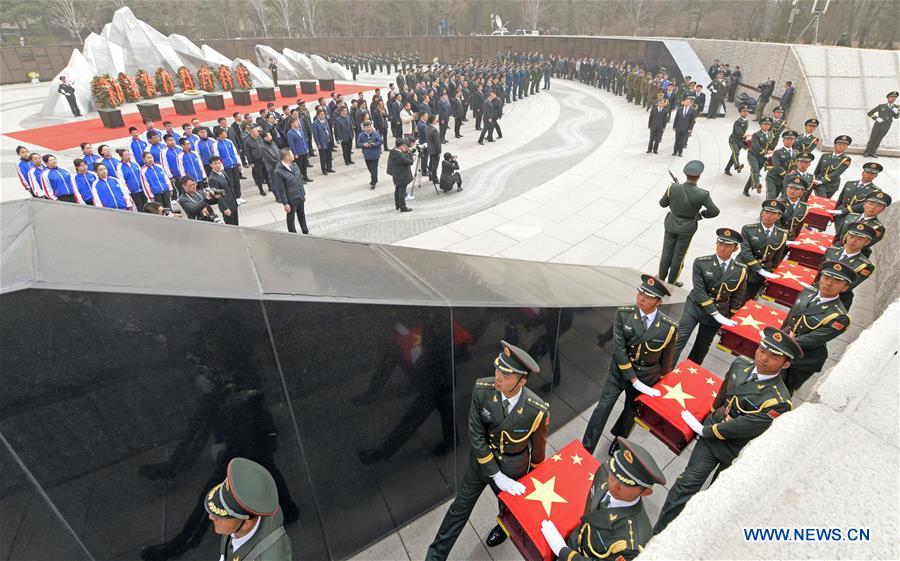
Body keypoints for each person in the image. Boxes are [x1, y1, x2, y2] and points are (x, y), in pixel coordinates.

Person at [654, 327, 800, 534]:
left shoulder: (779, 401)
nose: (764, 358)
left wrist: (705, 430)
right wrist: (714, 412)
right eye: (762, 350)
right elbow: (723, 392)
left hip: (736, 451)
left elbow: (745, 426)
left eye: (773, 356)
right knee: (685, 485)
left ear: (786, 364)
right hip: (712, 439)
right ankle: (658, 533)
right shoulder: (740, 364)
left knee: (716, 497)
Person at [425, 341, 548, 560]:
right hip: (481, 463)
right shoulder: (482, 389)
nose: (498, 377)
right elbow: (475, 434)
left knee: (509, 508)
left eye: (507, 375)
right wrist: (495, 474)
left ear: (523, 381)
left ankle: (504, 527)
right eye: (498, 369)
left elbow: (538, 450)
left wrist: (531, 478)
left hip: (513, 468)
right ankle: (435, 556)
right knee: (458, 510)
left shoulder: (535, 409)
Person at [582, 274, 676, 456]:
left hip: (647, 376)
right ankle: (587, 448)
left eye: (648, 296)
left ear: (659, 302)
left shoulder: (668, 327)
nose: (641, 298)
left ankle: (619, 439)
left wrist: (662, 381)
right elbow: (619, 349)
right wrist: (633, 379)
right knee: (602, 408)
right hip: (620, 373)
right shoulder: (624, 314)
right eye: (640, 292)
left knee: (630, 413)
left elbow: (666, 359)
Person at [541, 437, 666, 561]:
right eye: (613, 475)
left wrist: (563, 551)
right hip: (577, 537)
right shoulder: (604, 472)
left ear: (645, 492)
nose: (614, 485)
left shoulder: (632, 545)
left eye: (626, 484)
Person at [673, 228, 747, 366]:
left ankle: (687, 375)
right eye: (720, 243)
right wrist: (715, 313)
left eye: (727, 245)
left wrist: (730, 317)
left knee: (701, 347)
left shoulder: (740, 269)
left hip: (719, 311)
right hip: (695, 307)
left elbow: (737, 296)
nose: (722, 248)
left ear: (735, 249)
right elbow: (700, 291)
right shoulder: (701, 262)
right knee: (679, 339)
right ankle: (665, 373)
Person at [780, 261, 853, 394]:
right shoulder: (807, 293)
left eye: (836, 281)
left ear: (845, 288)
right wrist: (779, 335)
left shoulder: (840, 317)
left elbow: (812, 340)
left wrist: (781, 342)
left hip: (804, 359)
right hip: (784, 346)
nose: (828, 283)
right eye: (826, 277)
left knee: (783, 389)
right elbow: (790, 319)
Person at [205, 457, 292, 560]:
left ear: (246, 523)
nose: (211, 517)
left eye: (221, 515)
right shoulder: (242, 518)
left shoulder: (271, 557)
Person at [658, 160, 720, 287]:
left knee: (666, 253)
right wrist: (701, 215)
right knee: (678, 256)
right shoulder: (703, 194)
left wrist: (674, 201)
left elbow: (662, 203)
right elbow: (714, 211)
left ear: (685, 174)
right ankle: (671, 283)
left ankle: (661, 279)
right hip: (687, 228)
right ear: (699, 176)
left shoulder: (673, 187)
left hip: (671, 224)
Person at [813, 222, 875, 311]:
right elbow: (820, 272)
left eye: (859, 239)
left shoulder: (865, 266)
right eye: (851, 236)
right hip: (817, 290)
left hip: (837, 299)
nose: (853, 241)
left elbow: (847, 286)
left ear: (866, 242)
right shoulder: (831, 250)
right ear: (846, 236)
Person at [738, 199, 788, 301]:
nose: (769, 215)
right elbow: (745, 252)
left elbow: (777, 258)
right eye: (766, 211)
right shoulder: (748, 229)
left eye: (773, 213)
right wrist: (759, 269)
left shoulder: (782, 234)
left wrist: (771, 273)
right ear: (762, 213)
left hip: (762, 273)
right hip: (745, 267)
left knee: (749, 299)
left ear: (778, 216)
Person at [832, 191, 890, 257]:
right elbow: (838, 236)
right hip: (837, 250)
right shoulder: (850, 216)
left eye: (878, 206)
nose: (873, 208)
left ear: (883, 209)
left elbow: (863, 246)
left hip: (855, 257)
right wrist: (833, 248)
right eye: (871, 204)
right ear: (864, 204)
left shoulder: (878, 228)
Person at [832, 162, 883, 232]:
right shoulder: (849, 184)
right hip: (840, 214)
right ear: (863, 173)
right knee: (838, 235)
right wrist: (835, 212)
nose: (869, 175)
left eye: (872, 174)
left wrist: (842, 211)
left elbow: (864, 205)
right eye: (867, 172)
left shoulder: (875, 191)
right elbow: (840, 199)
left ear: (876, 176)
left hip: (854, 217)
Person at [269, 148, 309, 234]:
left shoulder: (294, 165)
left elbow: (299, 180)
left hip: (299, 195)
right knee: (291, 218)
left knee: (302, 214)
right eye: (291, 154)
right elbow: (281, 189)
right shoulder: (278, 172)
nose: (293, 155)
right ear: (286, 157)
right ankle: (292, 233)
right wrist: (285, 203)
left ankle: (305, 231)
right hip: (291, 198)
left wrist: (303, 194)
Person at [742, 117, 775, 197]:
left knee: (754, 174)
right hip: (753, 155)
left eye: (768, 124)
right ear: (760, 125)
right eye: (764, 124)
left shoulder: (770, 134)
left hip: (762, 157)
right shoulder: (756, 135)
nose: (766, 126)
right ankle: (757, 185)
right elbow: (756, 146)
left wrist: (770, 152)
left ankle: (746, 189)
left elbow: (770, 145)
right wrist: (765, 153)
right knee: (755, 170)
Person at [863, 91, 898, 157]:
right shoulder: (881, 106)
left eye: (894, 97)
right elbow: (870, 113)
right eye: (891, 97)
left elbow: (896, 117)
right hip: (878, 124)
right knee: (872, 138)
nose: (893, 99)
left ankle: (873, 152)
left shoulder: (896, 107)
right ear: (888, 98)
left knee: (879, 139)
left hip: (887, 125)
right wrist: (876, 118)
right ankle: (867, 152)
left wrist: (896, 113)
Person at [764, 130, 797, 200]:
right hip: (773, 178)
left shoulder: (796, 153)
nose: (789, 141)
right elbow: (777, 166)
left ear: (794, 141)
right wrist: (787, 176)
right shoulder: (777, 152)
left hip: (784, 180)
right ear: (783, 140)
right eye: (787, 139)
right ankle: (765, 210)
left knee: (779, 198)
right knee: (771, 197)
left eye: (791, 139)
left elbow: (795, 166)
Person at [214, 127, 244, 203]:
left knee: (237, 181)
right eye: (224, 133)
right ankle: (233, 198)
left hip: (234, 164)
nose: (226, 133)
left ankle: (238, 196)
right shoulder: (216, 144)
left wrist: (239, 163)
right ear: (219, 135)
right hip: (226, 166)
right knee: (230, 183)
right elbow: (217, 156)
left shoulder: (229, 141)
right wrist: (221, 168)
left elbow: (235, 153)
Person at [207, 156, 239, 225]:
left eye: (219, 163)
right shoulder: (212, 179)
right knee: (231, 225)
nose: (218, 165)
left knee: (236, 224)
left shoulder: (223, 172)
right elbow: (217, 196)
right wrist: (225, 208)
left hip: (233, 202)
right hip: (226, 206)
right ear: (210, 165)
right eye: (215, 164)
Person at [386, 139, 413, 212]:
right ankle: (403, 207)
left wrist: (404, 152)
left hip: (396, 174)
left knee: (397, 190)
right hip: (402, 175)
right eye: (403, 146)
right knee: (402, 191)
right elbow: (410, 162)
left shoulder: (392, 152)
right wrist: (409, 153)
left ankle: (397, 204)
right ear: (401, 146)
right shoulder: (400, 156)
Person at [724, 105, 750, 175]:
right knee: (736, 152)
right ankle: (737, 166)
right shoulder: (737, 122)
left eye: (747, 111)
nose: (745, 113)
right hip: (733, 140)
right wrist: (745, 136)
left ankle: (727, 169)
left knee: (733, 156)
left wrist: (746, 137)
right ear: (740, 112)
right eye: (744, 111)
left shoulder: (747, 121)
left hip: (740, 141)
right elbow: (738, 132)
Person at [357, 120, 383, 189]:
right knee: (370, 168)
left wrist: (374, 144)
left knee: (374, 169)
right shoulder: (361, 135)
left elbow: (380, 141)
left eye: (369, 127)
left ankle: (373, 182)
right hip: (367, 155)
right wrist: (363, 144)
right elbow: (358, 144)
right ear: (364, 128)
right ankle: (375, 178)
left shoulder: (375, 134)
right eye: (367, 127)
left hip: (375, 155)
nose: (368, 128)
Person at [286, 118, 313, 184]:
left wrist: (306, 148)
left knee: (304, 165)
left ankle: (305, 177)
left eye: (297, 123)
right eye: (296, 123)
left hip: (303, 150)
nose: (297, 124)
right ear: (292, 124)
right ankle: (300, 179)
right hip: (298, 152)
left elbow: (304, 140)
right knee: (299, 167)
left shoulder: (300, 130)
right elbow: (291, 144)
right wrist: (295, 154)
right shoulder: (290, 133)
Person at [312, 110, 335, 174]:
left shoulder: (325, 121)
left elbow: (329, 131)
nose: (323, 116)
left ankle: (329, 168)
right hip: (322, 143)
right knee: (323, 157)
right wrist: (318, 144)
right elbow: (315, 135)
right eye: (321, 114)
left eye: (324, 114)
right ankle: (324, 169)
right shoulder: (315, 123)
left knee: (329, 156)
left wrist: (331, 139)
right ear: (318, 115)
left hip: (328, 141)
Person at [424, 114, 442, 184]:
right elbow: (437, 143)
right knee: (435, 166)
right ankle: (435, 179)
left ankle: (431, 177)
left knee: (431, 163)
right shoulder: (434, 130)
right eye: (435, 120)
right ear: (433, 120)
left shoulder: (427, 127)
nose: (436, 121)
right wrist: (439, 151)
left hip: (430, 148)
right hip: (435, 150)